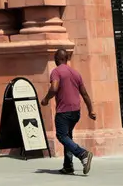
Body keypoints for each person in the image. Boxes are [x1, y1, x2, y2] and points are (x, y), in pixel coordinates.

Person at [41, 48, 96, 176]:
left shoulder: (56, 71)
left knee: (61, 136)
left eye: (55, 58)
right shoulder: (76, 73)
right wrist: (91, 110)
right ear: (66, 59)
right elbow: (85, 94)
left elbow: (54, 88)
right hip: (76, 112)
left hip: (63, 111)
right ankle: (68, 166)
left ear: (58, 59)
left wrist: (46, 99)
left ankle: (82, 154)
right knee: (68, 136)